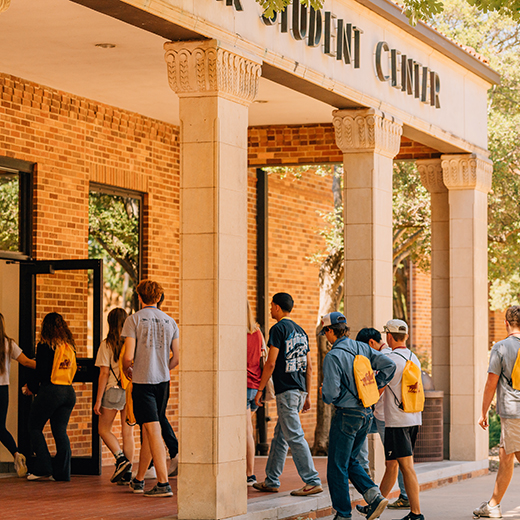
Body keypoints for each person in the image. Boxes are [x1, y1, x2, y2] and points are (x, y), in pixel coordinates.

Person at [321, 312, 395, 520]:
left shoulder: (333, 356)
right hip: (366, 413)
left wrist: (324, 393)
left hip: (346, 416)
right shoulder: (362, 348)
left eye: (325, 332)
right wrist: (374, 387)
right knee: (351, 460)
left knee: (337, 466)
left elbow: (331, 394)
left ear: (329, 331)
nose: (325, 336)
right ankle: (374, 497)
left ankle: (343, 514)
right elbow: (390, 366)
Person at [253, 292, 322, 496]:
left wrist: (260, 389)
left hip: (287, 392)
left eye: (272, 305)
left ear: (276, 307)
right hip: (299, 391)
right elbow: (309, 366)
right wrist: (307, 395)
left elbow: (271, 362)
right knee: (280, 437)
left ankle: (312, 480)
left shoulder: (278, 329)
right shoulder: (301, 331)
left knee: (294, 435)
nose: (270, 309)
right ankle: (271, 480)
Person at [122, 280, 179, 498]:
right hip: (163, 382)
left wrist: (129, 369)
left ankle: (163, 483)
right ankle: (138, 479)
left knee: (152, 429)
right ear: (159, 297)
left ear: (139, 297)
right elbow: (177, 357)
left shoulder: (133, 320)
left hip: (143, 381)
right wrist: (164, 367)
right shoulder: (170, 321)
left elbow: (128, 356)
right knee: (149, 428)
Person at [473, 306, 520, 519]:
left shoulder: (501, 347)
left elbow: (491, 383)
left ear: (506, 323)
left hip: (513, 411)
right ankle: (493, 504)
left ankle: (493, 505)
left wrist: (483, 412)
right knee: (506, 456)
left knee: (508, 456)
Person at [355, 327, 410, 510]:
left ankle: (397, 496)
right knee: (397, 459)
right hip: (388, 414)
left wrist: (368, 400)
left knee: (396, 460)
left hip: (385, 415)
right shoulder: (399, 354)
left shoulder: (383, 358)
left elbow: (381, 386)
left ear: (371, 343)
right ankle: (371, 484)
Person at [376, 319, 424, 520]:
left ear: (388, 336)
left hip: (397, 422)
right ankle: (374, 505)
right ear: (406, 336)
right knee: (391, 465)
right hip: (413, 418)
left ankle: (416, 513)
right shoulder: (414, 358)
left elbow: (378, 390)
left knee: (406, 467)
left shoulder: (390, 360)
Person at [27, 312, 77, 481]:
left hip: (51, 391)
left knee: (34, 426)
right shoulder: (68, 345)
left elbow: (41, 372)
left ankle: (43, 467)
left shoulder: (44, 345)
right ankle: (63, 473)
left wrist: (31, 388)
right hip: (68, 392)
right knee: (60, 431)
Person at [94, 307, 135, 484]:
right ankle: (128, 473)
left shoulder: (107, 344)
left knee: (103, 429)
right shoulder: (131, 342)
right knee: (128, 432)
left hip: (113, 390)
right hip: (130, 390)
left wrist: (97, 401)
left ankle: (121, 459)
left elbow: (104, 373)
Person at [0, 312, 35, 477]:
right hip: (2, 390)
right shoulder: (8, 344)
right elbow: (27, 362)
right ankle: (17, 455)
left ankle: (17, 454)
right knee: (0, 427)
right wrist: (47, 367)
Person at [246, 300, 264, 486]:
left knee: (246, 430)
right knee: (246, 428)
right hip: (255, 385)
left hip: (241, 385)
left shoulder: (236, 331)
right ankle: (247, 472)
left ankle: (250, 474)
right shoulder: (257, 331)